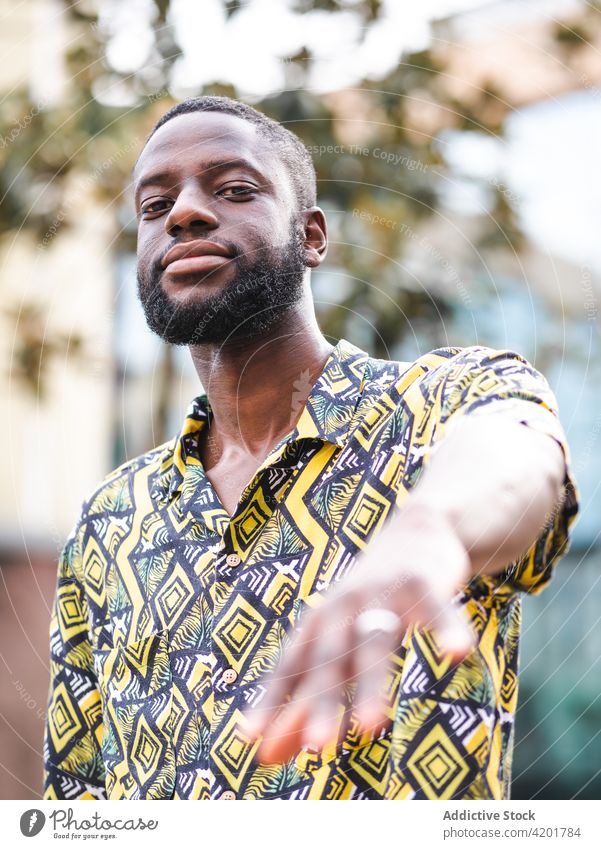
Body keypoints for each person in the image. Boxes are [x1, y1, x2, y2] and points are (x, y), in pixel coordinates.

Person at [43, 96, 578, 801]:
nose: (183, 214)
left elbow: (519, 453)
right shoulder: (112, 517)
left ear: (312, 236)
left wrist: (430, 527)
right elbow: (74, 797)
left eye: (234, 189)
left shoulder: (437, 407)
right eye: (153, 204)